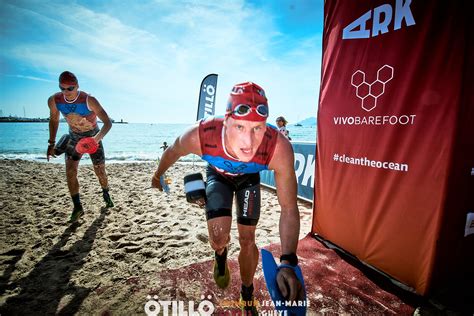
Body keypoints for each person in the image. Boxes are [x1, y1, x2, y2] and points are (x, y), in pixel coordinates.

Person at [151, 82, 303, 314]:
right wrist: (157, 175)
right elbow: (172, 151)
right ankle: (220, 256)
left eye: (257, 128)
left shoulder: (278, 146)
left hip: (248, 179)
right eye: (240, 127)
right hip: (218, 176)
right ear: (226, 121)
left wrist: (288, 262)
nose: (249, 142)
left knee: (247, 240)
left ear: (266, 125)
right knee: (218, 238)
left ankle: (247, 293)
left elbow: (289, 208)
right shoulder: (200, 134)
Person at [47, 71, 114, 222]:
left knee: (100, 172)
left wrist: (95, 140)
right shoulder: (54, 100)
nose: (66, 92)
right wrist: (51, 143)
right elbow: (54, 120)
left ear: (77, 86)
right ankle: (77, 208)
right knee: (70, 171)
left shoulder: (89, 100)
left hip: (93, 138)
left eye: (70, 88)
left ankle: (105, 192)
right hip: (74, 138)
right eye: (62, 88)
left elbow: (108, 123)